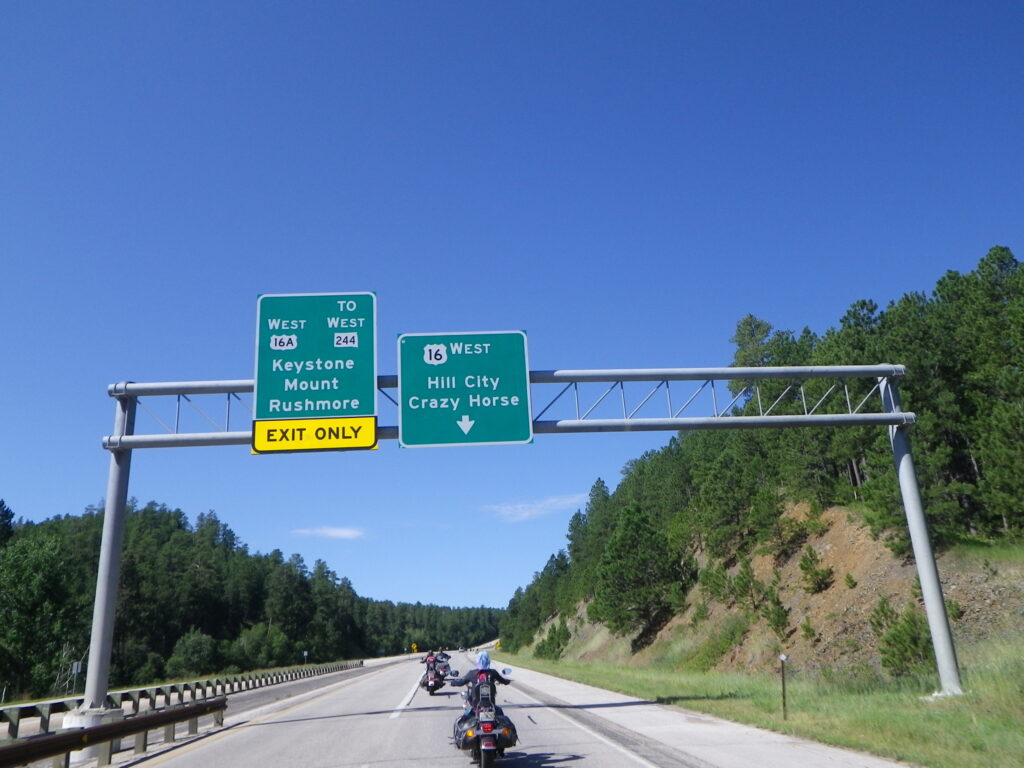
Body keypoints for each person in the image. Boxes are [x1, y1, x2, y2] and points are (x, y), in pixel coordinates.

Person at [450, 651, 510, 730]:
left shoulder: (472, 673)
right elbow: (504, 681)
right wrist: (507, 681)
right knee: (503, 719)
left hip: (475, 706)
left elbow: (461, 682)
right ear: (488, 661)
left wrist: (453, 682)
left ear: (477, 661)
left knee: (462, 721)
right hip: (491, 706)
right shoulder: (493, 673)